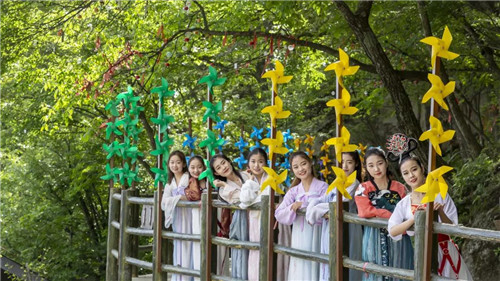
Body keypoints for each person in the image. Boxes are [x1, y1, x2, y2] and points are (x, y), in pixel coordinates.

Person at [387, 134, 473, 280]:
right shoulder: (404, 203)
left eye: (414, 169)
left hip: (446, 250)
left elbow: (453, 226)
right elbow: (393, 230)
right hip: (422, 254)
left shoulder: (439, 193)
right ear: (402, 177)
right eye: (406, 173)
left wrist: (440, 211)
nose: (411, 176)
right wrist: (414, 219)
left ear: (422, 168)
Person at [306, 151, 363, 281]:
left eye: (349, 162)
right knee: (329, 258)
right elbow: (322, 199)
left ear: (356, 164)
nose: (345, 166)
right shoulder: (337, 182)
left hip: (348, 229)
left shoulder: (354, 183)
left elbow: (340, 204)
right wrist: (313, 205)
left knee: (346, 260)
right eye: (342, 162)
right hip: (330, 227)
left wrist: (316, 210)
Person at [354, 147, 407, 281]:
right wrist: (392, 215)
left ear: (386, 163)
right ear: (366, 168)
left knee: (400, 269)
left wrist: (382, 215)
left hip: (398, 237)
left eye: (380, 163)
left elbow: (407, 213)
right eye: (371, 165)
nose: (376, 169)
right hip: (373, 236)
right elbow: (365, 211)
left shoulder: (400, 188)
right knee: (375, 272)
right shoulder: (363, 188)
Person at [275, 151, 328, 280]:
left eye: (303, 164)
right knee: (299, 264)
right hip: (299, 234)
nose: (300, 169)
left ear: (310, 163)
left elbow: (327, 206)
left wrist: (304, 204)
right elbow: (279, 214)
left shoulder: (323, 187)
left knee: (316, 263)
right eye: (296, 166)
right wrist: (292, 208)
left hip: (318, 231)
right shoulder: (293, 191)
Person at [211, 153, 251, 280]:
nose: (223, 167)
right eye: (218, 168)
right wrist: (224, 185)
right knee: (241, 253)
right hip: (241, 221)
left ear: (229, 161)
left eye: (223, 163)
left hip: (256, 217)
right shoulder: (223, 191)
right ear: (217, 174)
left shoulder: (245, 175)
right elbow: (242, 198)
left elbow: (257, 192)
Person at [239, 148, 270, 281]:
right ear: (248, 164)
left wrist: (252, 199)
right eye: (253, 161)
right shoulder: (248, 180)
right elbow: (245, 200)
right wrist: (250, 181)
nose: (257, 165)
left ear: (266, 163)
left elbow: (264, 199)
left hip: (268, 221)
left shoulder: (271, 179)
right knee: (254, 251)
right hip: (253, 221)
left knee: (268, 252)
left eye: (261, 161)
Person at [161, 150, 192, 281]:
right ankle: (179, 276)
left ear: (184, 164)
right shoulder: (170, 183)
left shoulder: (189, 179)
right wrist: (180, 197)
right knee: (179, 243)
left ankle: (190, 275)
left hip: (190, 216)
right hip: (177, 217)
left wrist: (175, 198)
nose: (175, 165)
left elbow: (192, 196)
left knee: (190, 243)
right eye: (172, 163)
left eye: (178, 162)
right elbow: (163, 202)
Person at [184, 155, 207, 281]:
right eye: (192, 167)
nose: (196, 170)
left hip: (213, 218)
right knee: (198, 244)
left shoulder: (210, 180)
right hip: (196, 217)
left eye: (199, 167)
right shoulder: (188, 182)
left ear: (204, 167)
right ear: (188, 168)